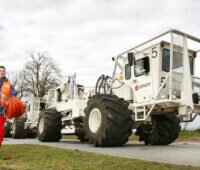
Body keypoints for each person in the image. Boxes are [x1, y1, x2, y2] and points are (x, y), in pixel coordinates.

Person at [0, 66, 17, 146]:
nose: (2, 72)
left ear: (5, 72)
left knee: (1, 131)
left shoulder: (8, 84)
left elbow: (14, 93)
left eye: (3, 71)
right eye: (0, 71)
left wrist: (9, 98)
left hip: (2, 111)